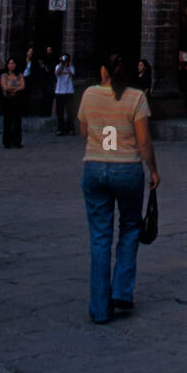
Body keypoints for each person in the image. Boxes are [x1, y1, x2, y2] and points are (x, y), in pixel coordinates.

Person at [77, 53, 159, 325]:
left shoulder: (89, 94)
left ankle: (100, 310)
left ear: (104, 70)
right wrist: (154, 170)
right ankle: (122, 291)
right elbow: (144, 141)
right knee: (130, 227)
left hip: (95, 166)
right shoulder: (136, 97)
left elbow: (84, 131)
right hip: (127, 169)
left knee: (100, 237)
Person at [0, 57, 25, 149]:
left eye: (13, 63)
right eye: (10, 63)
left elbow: (22, 86)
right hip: (7, 100)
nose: (11, 65)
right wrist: (14, 89)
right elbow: (4, 87)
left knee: (17, 121)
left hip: (17, 100)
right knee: (7, 121)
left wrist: (15, 89)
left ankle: (17, 141)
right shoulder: (4, 76)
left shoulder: (20, 75)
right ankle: (7, 141)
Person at [54, 53, 76, 135]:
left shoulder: (71, 67)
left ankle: (70, 128)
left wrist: (67, 66)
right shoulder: (58, 66)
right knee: (60, 112)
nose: (65, 60)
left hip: (69, 91)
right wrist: (61, 64)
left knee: (70, 111)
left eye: (66, 58)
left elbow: (72, 75)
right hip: (59, 92)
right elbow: (57, 73)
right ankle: (60, 129)